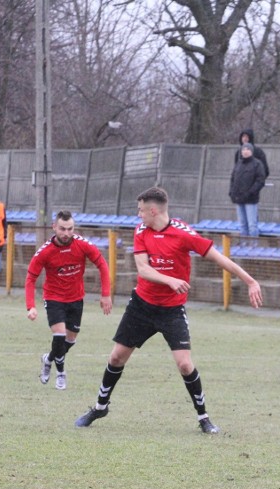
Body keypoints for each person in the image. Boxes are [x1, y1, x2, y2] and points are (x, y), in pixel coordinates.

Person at [75, 186, 263, 434]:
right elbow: (142, 269)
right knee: (116, 357)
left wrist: (250, 281)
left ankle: (204, 418)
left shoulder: (183, 234)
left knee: (185, 365)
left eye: (141, 210)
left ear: (153, 210)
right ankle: (100, 407)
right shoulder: (141, 231)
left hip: (172, 310)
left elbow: (220, 258)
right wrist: (170, 280)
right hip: (141, 306)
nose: (138, 215)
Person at [25, 210, 113, 390]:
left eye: (70, 229)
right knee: (59, 335)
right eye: (63, 229)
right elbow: (30, 278)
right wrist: (31, 306)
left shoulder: (82, 244)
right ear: (54, 227)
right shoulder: (45, 252)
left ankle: (48, 359)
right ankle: (61, 373)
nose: (66, 233)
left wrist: (106, 294)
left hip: (76, 298)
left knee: (70, 340)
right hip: (54, 298)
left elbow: (102, 265)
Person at [229, 142, 266, 238]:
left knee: (252, 225)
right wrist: (232, 192)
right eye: (243, 149)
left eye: (247, 149)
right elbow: (233, 178)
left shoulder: (257, 164)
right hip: (239, 198)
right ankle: (244, 246)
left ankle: (253, 247)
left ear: (252, 151)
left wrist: (250, 193)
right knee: (242, 225)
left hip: (251, 200)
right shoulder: (238, 163)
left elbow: (260, 181)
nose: (245, 151)